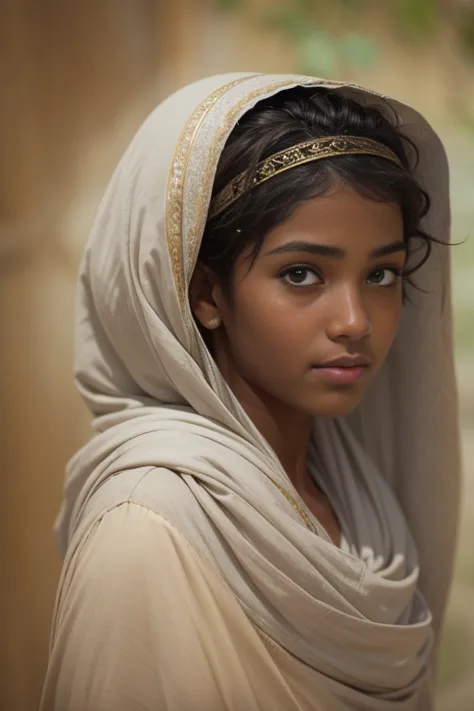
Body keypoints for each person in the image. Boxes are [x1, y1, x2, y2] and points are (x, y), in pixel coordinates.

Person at [41, 73, 461, 711]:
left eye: (381, 273)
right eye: (301, 274)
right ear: (206, 294)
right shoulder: (146, 531)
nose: (355, 320)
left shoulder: (363, 499)